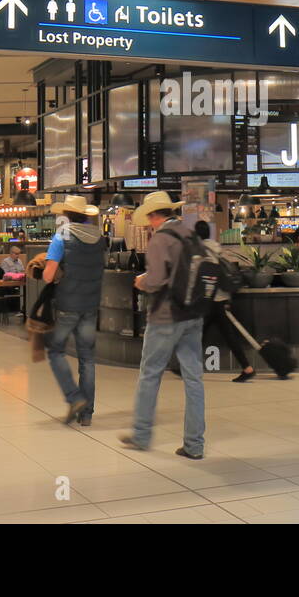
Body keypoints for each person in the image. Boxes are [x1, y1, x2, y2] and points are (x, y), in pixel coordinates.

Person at [120, 191, 206, 459]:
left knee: (150, 373)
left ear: (154, 215)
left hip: (166, 316)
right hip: (193, 313)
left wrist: (141, 282)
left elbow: (156, 281)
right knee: (194, 378)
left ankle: (141, 435)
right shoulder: (190, 233)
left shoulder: (161, 239)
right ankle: (194, 444)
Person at [41, 197, 107, 425]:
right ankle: (87, 413)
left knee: (55, 351)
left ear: (66, 215)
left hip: (68, 305)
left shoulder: (62, 235)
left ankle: (74, 396)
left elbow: (48, 275)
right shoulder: (99, 238)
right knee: (87, 359)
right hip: (90, 305)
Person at [195, 220, 254, 381]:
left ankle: (185, 366)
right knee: (219, 335)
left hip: (211, 300)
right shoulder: (216, 247)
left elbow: (205, 276)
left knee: (198, 334)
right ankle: (247, 368)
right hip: (220, 297)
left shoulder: (202, 251)